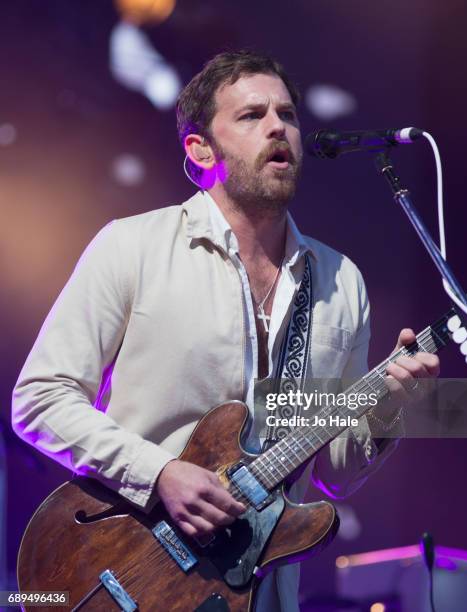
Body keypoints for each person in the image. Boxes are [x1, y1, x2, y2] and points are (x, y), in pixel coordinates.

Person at [12, 50, 440, 611]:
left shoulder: (342, 281)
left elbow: (334, 475)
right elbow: (39, 399)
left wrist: (390, 407)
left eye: (287, 114)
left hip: (259, 592)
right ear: (199, 149)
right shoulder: (133, 246)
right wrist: (159, 472)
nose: (277, 127)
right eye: (251, 115)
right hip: (128, 563)